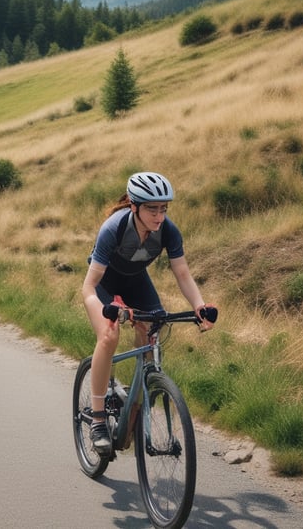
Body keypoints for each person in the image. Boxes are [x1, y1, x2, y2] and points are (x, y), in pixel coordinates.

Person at [81, 171, 217, 454]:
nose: (159, 216)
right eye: (152, 209)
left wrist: (199, 306)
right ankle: (97, 421)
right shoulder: (113, 229)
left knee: (153, 331)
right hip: (103, 284)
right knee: (108, 336)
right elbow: (89, 287)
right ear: (134, 206)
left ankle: (137, 396)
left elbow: (182, 273)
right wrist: (109, 309)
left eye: (164, 209)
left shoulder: (168, 230)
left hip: (136, 281)